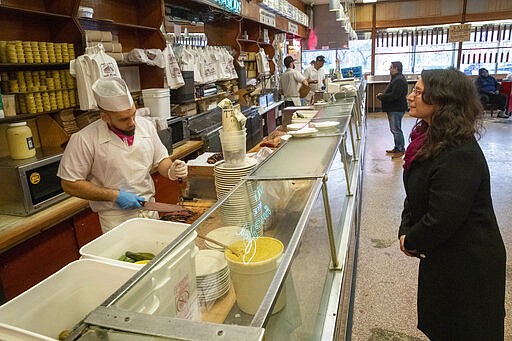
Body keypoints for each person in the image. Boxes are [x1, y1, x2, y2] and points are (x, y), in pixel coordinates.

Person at [399, 67, 506, 340]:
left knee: (464, 327)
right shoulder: (427, 138)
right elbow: (416, 193)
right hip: (444, 255)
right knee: (444, 324)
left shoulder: (458, 152)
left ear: (442, 101)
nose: (411, 96)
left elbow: (442, 218)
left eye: (419, 92)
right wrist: (405, 228)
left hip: (468, 263)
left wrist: (411, 240)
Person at [58, 77, 188, 233]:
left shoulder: (145, 125)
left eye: (133, 114)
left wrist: (171, 170)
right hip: (116, 219)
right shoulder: (84, 139)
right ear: (104, 116)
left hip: (150, 209)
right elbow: (69, 183)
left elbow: (160, 160)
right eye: (124, 119)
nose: (132, 122)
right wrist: (114, 195)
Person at [377, 61, 408, 158]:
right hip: (394, 108)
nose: (389, 69)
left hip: (396, 109)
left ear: (396, 68)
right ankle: (397, 147)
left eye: (391, 67)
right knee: (394, 129)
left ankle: (400, 149)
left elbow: (394, 95)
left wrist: (382, 96)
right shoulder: (396, 78)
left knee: (396, 129)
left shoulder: (398, 80)